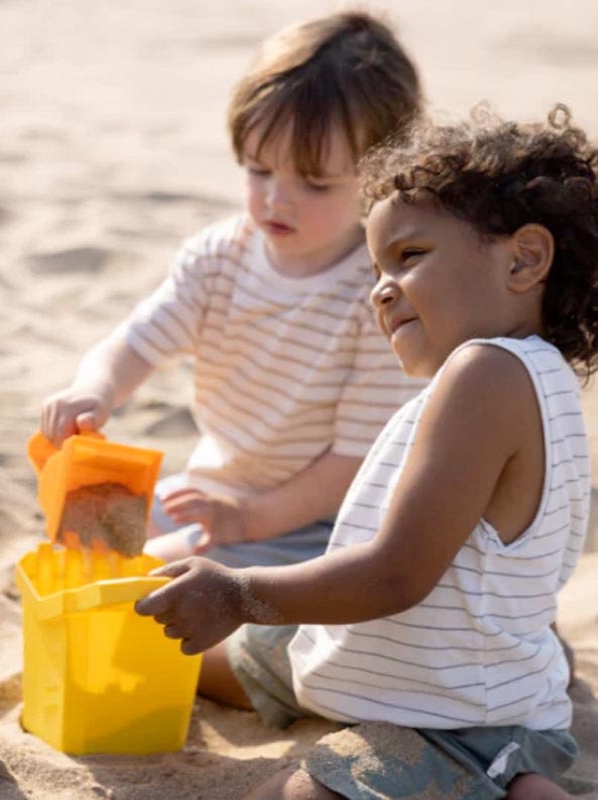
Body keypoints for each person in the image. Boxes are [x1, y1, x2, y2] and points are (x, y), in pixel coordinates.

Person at [136, 105, 598, 799]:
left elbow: (395, 575)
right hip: (396, 659)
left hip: (450, 717)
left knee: (289, 794)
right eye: (376, 268)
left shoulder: (486, 375)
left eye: (410, 257)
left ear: (523, 258)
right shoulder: (529, 379)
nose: (381, 289)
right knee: (180, 646)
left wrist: (239, 592)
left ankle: (510, 779)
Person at [40, 11, 425, 567]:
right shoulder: (218, 258)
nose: (276, 200)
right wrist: (94, 388)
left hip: (317, 524)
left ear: (382, 181)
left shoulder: (379, 299)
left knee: (157, 581)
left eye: (315, 183)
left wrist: (248, 519)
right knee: (83, 540)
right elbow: (138, 343)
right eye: (259, 171)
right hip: (214, 488)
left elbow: (352, 464)